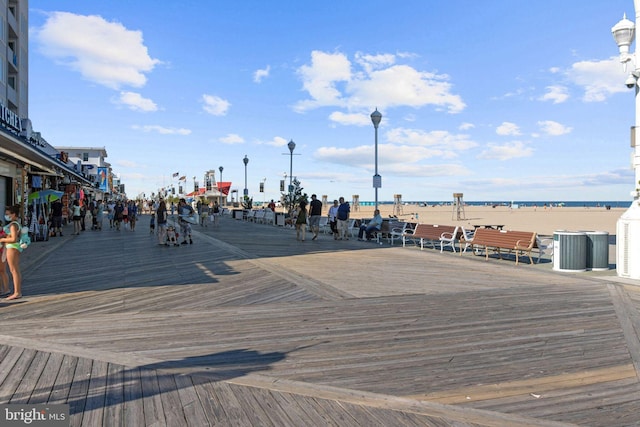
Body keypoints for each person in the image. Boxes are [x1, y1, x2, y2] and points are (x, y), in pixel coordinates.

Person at [1, 205, 23, 300]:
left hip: (12, 248)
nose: (6, 216)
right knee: (15, 270)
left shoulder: (13, 225)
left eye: (7, 214)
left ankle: (17, 292)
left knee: (14, 270)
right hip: (14, 248)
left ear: (13, 214)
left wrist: (2, 239)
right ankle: (17, 291)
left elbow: (14, 239)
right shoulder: (16, 224)